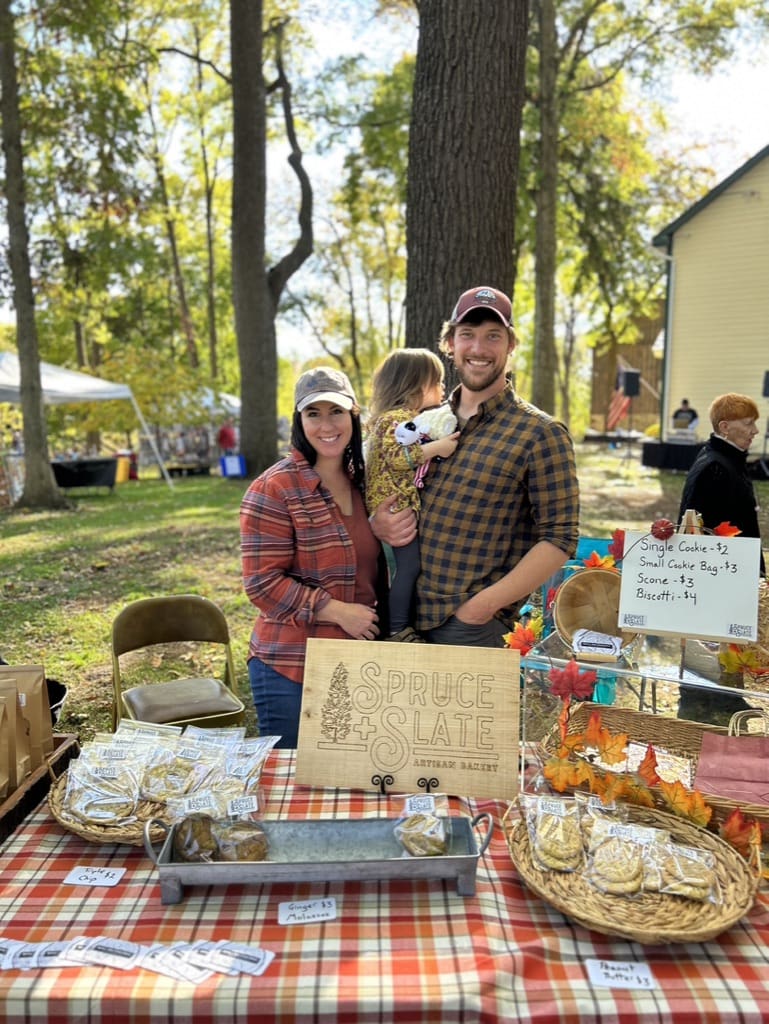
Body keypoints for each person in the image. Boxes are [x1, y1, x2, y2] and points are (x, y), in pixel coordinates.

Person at [370, 285, 580, 647]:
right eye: (467, 335)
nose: (479, 349)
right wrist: (379, 523)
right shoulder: (424, 423)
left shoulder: (540, 434)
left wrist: (482, 607)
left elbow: (560, 538)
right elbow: (383, 479)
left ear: (511, 345)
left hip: (467, 627)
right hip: (400, 621)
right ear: (450, 343)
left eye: (493, 336)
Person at [240, 367, 385, 748]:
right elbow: (261, 584)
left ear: (354, 415)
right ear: (299, 421)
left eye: (336, 411)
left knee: (350, 787)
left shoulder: (365, 483)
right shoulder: (275, 487)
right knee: (293, 791)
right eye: (313, 413)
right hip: (291, 666)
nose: (326, 425)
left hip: (358, 664)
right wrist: (337, 611)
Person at [677, 393, 765, 723]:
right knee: (709, 651)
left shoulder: (727, 461)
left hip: (731, 580)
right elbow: (698, 537)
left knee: (729, 649)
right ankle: (705, 712)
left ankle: (725, 700)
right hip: (713, 585)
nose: (755, 430)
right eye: (748, 424)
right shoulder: (714, 467)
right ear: (725, 427)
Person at [365, 349, 460, 642]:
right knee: (407, 568)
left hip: (398, 507)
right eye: (438, 381)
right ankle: (396, 628)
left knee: (405, 568)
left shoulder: (402, 418)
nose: (443, 388)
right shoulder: (396, 418)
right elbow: (397, 457)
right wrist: (438, 447)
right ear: (417, 384)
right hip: (394, 510)